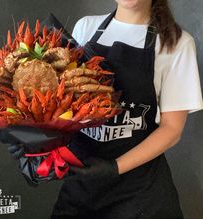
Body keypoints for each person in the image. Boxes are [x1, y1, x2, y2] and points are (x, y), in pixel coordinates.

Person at [50, 0, 203, 218]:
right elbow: (61, 105)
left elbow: (172, 129)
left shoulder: (176, 42)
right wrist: (42, 150)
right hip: (81, 186)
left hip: (140, 195)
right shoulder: (86, 28)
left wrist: (114, 168)